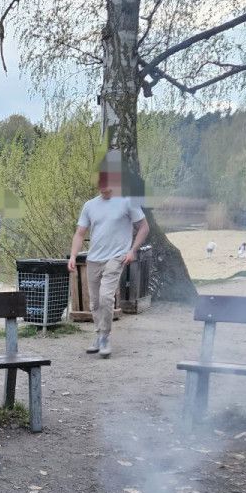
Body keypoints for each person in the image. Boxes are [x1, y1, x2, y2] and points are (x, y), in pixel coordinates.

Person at [67, 150, 149, 359]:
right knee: (94, 302)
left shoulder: (127, 201)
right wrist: (73, 256)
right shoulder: (90, 205)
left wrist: (132, 250)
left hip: (117, 257)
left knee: (105, 297)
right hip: (94, 258)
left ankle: (105, 337)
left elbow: (144, 227)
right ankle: (98, 334)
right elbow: (79, 233)